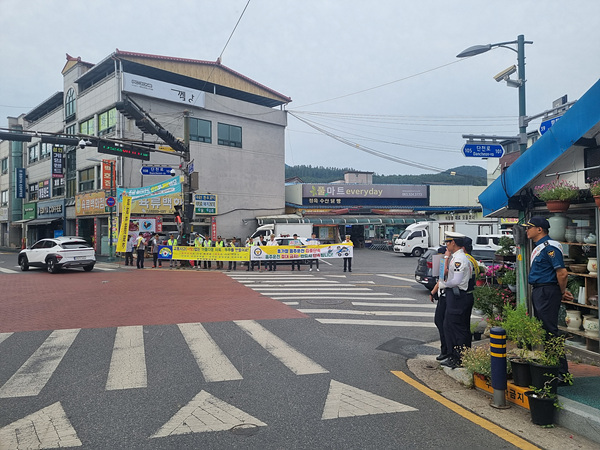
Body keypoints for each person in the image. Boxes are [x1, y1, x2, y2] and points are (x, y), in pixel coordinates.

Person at [525, 216, 572, 379]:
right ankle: (553, 367)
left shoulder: (550, 247)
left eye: (529, 227)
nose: (526, 230)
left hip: (547, 291)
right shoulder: (539, 247)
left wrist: (561, 291)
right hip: (541, 290)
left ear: (539, 229)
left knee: (550, 331)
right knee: (545, 331)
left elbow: (562, 272)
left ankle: (561, 372)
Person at [438, 231, 473, 369]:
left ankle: (459, 358)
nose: (446, 245)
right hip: (456, 296)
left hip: (459, 297)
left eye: (448, 242)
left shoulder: (459, 259)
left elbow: (457, 280)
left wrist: (444, 284)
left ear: (453, 243)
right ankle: (454, 356)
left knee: (457, 328)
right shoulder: (457, 257)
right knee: (450, 326)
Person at [430, 245, 450, 361]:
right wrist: (433, 292)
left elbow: (443, 275)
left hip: (447, 296)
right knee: (439, 321)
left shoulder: (448, 262)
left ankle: (446, 350)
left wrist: (446, 258)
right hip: (441, 296)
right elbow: (440, 280)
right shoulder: (444, 262)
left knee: (444, 324)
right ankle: (445, 349)